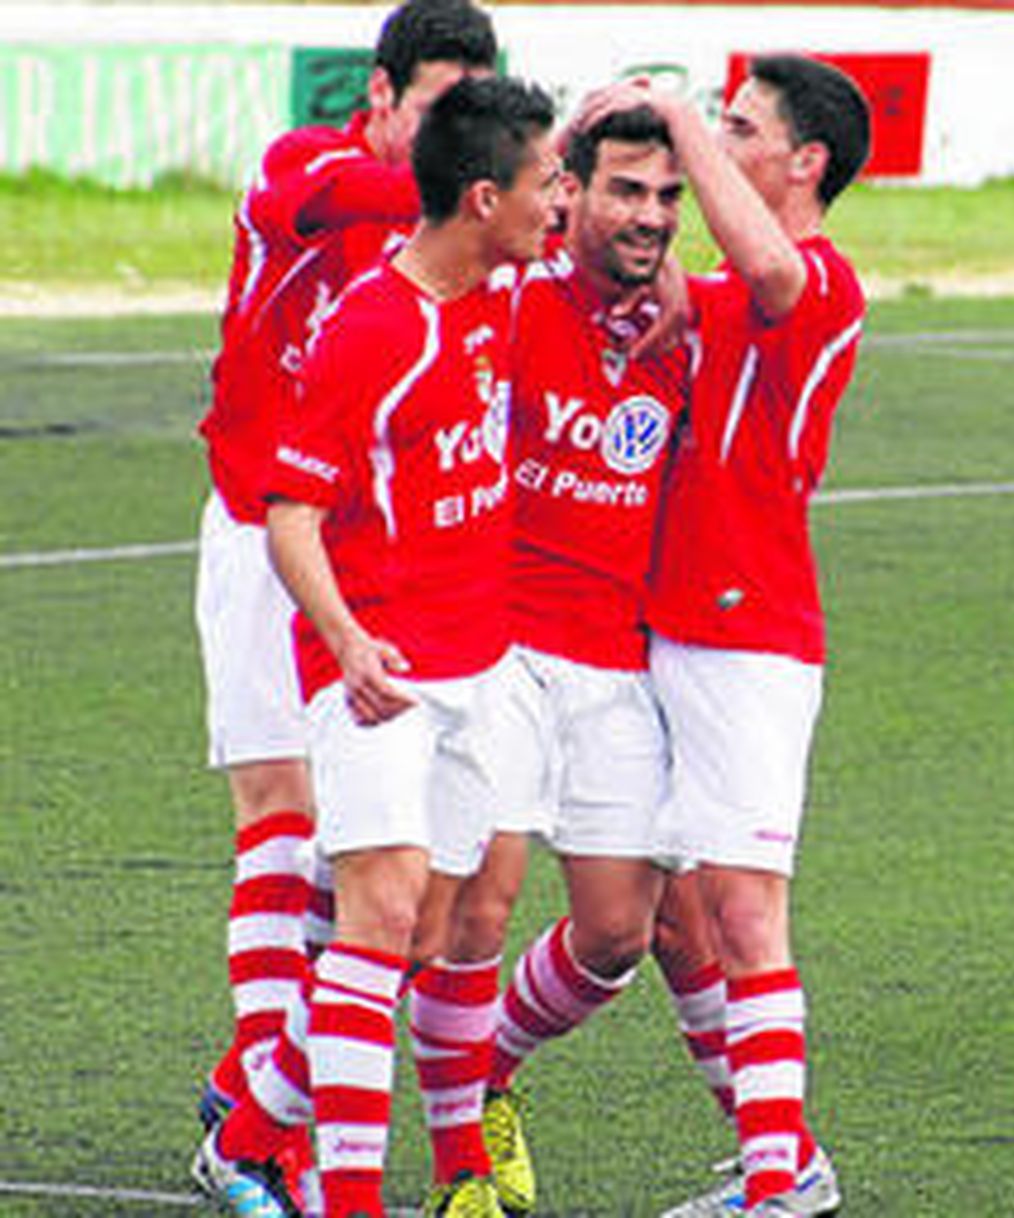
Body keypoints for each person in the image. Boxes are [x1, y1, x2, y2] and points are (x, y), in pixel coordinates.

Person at [192, 74, 563, 1218]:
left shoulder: (503, 295)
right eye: (548, 183)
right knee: (382, 909)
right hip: (378, 673)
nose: (562, 203)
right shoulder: (372, 328)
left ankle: (249, 1128)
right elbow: (290, 512)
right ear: (485, 198)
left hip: (475, 665)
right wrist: (346, 642)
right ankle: (346, 1197)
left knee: (439, 927)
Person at [415, 103, 734, 1218]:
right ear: (572, 194)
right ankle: (459, 1173)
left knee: (618, 931)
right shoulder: (512, 297)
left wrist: (686, 292)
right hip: (496, 648)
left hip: (618, 664)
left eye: (665, 198)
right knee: (475, 909)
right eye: (622, 191)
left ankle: (487, 1071)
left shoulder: (686, 329)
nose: (647, 216)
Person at [584, 55, 871, 1217]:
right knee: (669, 918)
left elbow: (762, 266)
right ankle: (777, 1158)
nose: (715, 141)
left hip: (748, 638)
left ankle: (776, 1183)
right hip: (665, 625)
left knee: (746, 914)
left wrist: (680, 121)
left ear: (802, 164)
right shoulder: (718, 287)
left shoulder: (822, 281)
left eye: (743, 128)